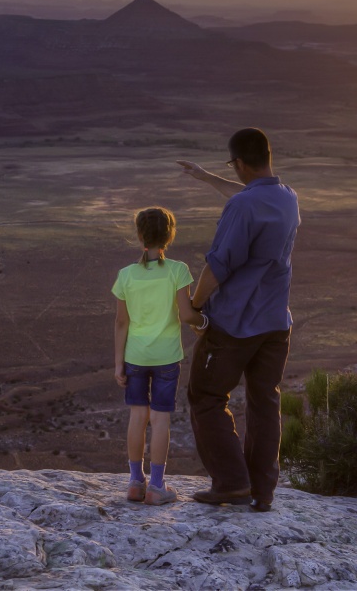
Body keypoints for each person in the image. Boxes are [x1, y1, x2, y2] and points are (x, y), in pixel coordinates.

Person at [176, 127, 300, 513]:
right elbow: (249, 196)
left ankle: (231, 483)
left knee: (207, 397)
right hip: (276, 324)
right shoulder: (287, 198)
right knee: (265, 402)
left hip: (234, 324)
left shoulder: (243, 207)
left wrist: (195, 305)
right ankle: (263, 490)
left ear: (240, 164)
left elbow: (218, 265)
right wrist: (205, 176)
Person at [111, 207, 203, 505]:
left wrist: (118, 363)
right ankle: (158, 486)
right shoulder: (178, 271)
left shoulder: (126, 275)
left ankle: (135, 483)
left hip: (135, 356)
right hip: (166, 357)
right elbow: (187, 314)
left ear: (140, 236)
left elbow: (121, 322)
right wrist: (204, 324)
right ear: (169, 236)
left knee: (137, 416)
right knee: (161, 418)